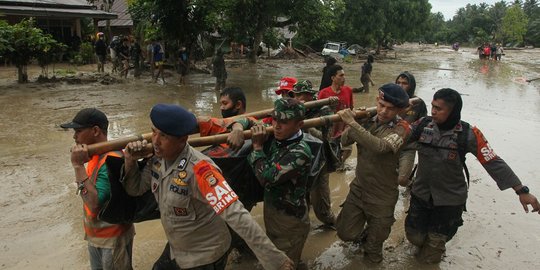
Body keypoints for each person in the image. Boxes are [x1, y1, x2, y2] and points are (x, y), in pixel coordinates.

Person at [122, 104, 294, 270]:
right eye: (154, 133)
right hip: (179, 247)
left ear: (183, 139)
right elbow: (135, 189)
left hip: (205, 255)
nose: (156, 141)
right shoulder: (157, 158)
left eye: (164, 136)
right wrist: (130, 160)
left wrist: (274, 260)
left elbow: (237, 215)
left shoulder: (202, 171)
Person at [402, 88, 540, 264]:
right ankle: (427, 241)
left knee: (430, 255)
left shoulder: (469, 134)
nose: (433, 112)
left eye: (439, 108)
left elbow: (493, 162)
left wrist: (521, 190)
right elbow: (399, 135)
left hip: (449, 201)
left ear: (453, 111)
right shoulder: (422, 125)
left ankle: (436, 246)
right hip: (421, 194)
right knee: (415, 237)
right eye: (432, 106)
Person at [335, 84, 411, 263]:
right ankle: (365, 234)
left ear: (399, 110)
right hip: (359, 189)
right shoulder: (367, 120)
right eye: (381, 105)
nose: (384, 111)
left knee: (373, 250)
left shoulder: (403, 128)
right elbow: (344, 140)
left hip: (382, 196)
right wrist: (356, 122)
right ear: (377, 100)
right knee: (345, 232)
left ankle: (371, 242)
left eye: (390, 109)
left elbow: (381, 147)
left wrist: (353, 124)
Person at [61, 108, 135, 270]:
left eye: (79, 131)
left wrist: (78, 166)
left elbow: (94, 203)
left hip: (112, 239)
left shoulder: (112, 160)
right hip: (97, 236)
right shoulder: (97, 156)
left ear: (95, 131)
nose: (75, 137)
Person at [247, 98, 313, 268]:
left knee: (286, 263)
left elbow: (267, 178)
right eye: (274, 119)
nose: (276, 125)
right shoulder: (279, 136)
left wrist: (257, 148)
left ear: (299, 125)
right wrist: (239, 127)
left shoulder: (300, 152)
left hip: (290, 221)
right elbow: (247, 119)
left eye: (284, 122)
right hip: (274, 212)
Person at [291, 80, 337, 228]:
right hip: (300, 157)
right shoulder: (294, 109)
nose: (299, 99)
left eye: (302, 95)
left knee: (320, 199)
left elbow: (325, 138)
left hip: (319, 158)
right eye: (296, 96)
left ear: (310, 95)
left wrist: (305, 125)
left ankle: (332, 223)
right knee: (300, 195)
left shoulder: (323, 110)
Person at [395, 71, 428, 187]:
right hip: (390, 144)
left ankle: (412, 184)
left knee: (402, 180)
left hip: (408, 146)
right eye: (398, 83)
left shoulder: (418, 103)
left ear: (411, 86)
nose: (400, 86)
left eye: (404, 83)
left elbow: (424, 124)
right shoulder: (390, 100)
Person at [318, 65, 353, 170]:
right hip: (330, 128)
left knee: (348, 148)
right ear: (333, 78)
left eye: (344, 75)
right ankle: (334, 163)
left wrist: (349, 125)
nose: (344, 78)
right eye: (341, 75)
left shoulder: (348, 90)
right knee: (330, 150)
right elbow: (318, 112)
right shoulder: (324, 93)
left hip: (344, 127)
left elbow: (351, 108)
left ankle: (341, 163)